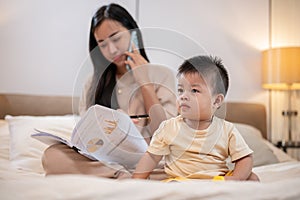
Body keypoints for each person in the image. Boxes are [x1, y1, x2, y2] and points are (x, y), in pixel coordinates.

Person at [42, 3, 177, 179]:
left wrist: (145, 83)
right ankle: (120, 175)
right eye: (103, 44)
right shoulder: (92, 83)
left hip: (151, 160)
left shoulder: (163, 75)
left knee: (174, 163)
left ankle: (124, 174)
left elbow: (166, 134)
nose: (112, 50)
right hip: (107, 161)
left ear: (133, 34)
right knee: (51, 156)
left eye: (116, 38)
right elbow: (86, 138)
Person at [132, 55, 260, 181]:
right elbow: (151, 157)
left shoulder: (227, 130)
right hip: (179, 180)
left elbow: (245, 158)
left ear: (216, 101)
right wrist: (136, 181)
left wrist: (236, 178)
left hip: (216, 181)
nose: (183, 96)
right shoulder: (168, 127)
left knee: (252, 177)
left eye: (194, 90)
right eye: (181, 90)